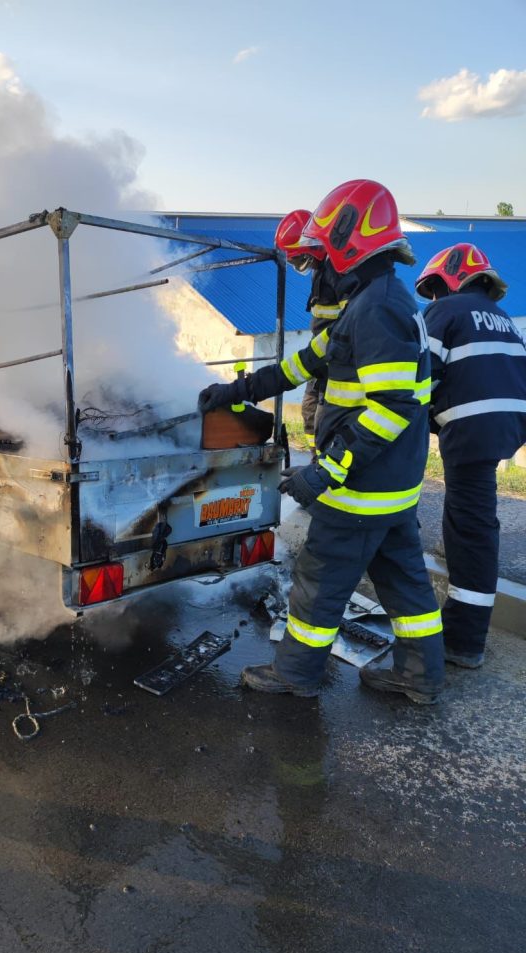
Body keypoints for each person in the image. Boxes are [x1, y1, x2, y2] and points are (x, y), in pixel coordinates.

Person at [199, 179, 445, 704]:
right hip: (392, 490)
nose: (318, 272)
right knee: (405, 585)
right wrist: (235, 390)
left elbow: (391, 406)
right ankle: (420, 677)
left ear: (346, 244)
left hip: (361, 490)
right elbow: (301, 365)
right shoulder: (373, 300)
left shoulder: (376, 308)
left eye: (320, 259)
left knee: (320, 579)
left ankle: (294, 674)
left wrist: (325, 471)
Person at [415, 243, 526, 668]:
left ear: (449, 278)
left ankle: (463, 641)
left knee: (470, 528)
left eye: (434, 290)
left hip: (472, 426)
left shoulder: (446, 312)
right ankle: (467, 633)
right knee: (475, 520)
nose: (434, 299)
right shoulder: (501, 318)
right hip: (506, 423)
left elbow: (419, 374)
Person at [274, 209, 345, 458]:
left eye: (297, 258)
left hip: (334, 361)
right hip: (319, 357)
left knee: (325, 416)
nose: (296, 264)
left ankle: (324, 460)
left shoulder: (338, 273)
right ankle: (317, 456)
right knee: (309, 409)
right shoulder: (321, 272)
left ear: (312, 245)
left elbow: (345, 327)